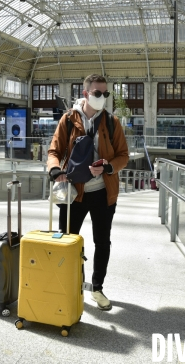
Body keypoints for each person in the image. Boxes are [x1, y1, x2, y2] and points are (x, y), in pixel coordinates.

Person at [47, 74, 129, 311]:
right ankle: (74, 283)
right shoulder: (68, 120)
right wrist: (54, 170)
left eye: (105, 94)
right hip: (74, 194)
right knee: (69, 241)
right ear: (85, 94)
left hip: (103, 193)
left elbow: (122, 155)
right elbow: (54, 150)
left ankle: (97, 287)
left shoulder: (112, 122)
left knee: (102, 242)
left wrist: (107, 166)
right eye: (97, 93)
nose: (102, 98)